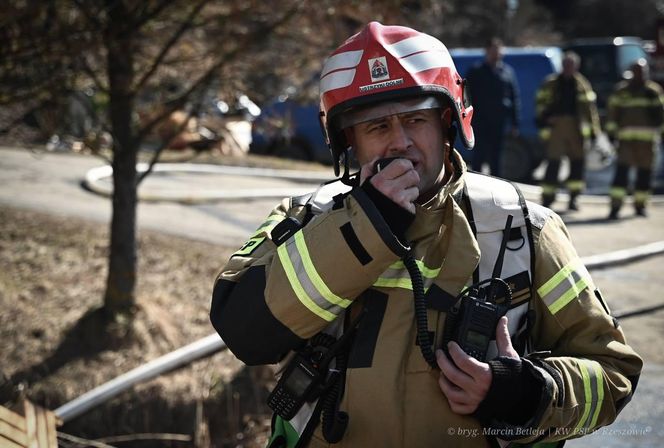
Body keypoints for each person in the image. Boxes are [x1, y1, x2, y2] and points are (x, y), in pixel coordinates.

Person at [211, 23, 642, 447]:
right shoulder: (308, 218)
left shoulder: (524, 226)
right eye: (377, 127)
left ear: (448, 124)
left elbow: (612, 373)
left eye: (415, 119)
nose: (400, 142)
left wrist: (526, 393)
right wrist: (364, 226)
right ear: (349, 144)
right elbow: (244, 332)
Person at [536, 51, 601, 211]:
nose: (568, 68)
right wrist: (545, 119)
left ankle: (574, 198)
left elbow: (590, 110)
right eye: (566, 65)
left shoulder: (582, 85)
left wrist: (594, 131)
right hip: (557, 126)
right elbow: (540, 104)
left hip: (576, 128)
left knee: (577, 164)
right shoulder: (551, 83)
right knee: (553, 163)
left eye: (571, 65)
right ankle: (548, 198)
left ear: (576, 67)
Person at [605, 58, 664, 219]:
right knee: (621, 175)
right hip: (626, 142)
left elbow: (661, 116)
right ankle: (615, 208)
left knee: (644, 176)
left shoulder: (653, 91)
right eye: (638, 71)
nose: (641, 75)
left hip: (647, 142)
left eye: (643, 71)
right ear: (632, 72)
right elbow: (612, 115)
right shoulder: (621, 91)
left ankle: (640, 206)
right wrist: (611, 134)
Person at [465, 37, 520, 177]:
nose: (496, 53)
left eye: (499, 50)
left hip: (499, 122)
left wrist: (515, 123)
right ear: (487, 51)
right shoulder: (476, 72)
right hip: (480, 122)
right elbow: (466, 95)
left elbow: (514, 98)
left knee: (496, 159)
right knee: (479, 157)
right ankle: (475, 188)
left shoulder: (507, 72)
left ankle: (496, 187)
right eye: (493, 50)